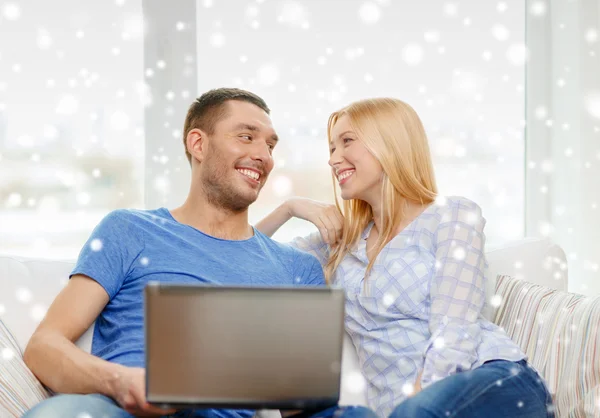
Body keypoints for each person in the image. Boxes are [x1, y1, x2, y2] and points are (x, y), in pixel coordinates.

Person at [23, 88, 376, 418]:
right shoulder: (128, 230)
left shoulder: (297, 269)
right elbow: (44, 346)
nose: (263, 155)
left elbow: (302, 407)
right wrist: (120, 381)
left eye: (270, 145)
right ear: (198, 144)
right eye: (246, 136)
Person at [256, 97, 555, 418]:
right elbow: (245, 261)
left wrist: (417, 400)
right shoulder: (340, 243)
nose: (333, 159)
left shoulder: (451, 216)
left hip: (491, 382)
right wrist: (288, 208)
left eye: (347, 142)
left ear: (389, 145)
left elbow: (454, 333)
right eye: (331, 149)